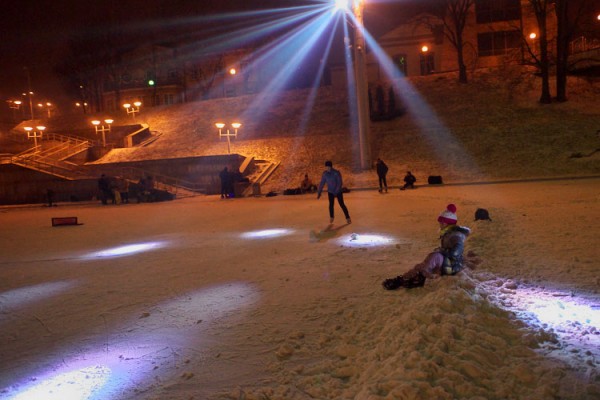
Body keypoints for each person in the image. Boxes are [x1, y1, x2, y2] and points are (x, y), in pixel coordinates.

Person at [382, 204, 470, 289]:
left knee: (434, 257)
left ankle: (415, 277)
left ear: (448, 224)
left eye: (442, 223)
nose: (440, 225)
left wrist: (441, 251)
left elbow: (455, 253)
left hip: (452, 266)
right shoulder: (449, 233)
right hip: (448, 262)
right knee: (431, 259)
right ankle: (411, 276)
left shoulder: (455, 235)